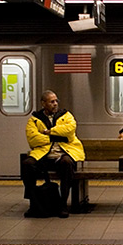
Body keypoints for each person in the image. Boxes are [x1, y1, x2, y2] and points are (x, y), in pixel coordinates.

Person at [21, 90, 85, 218]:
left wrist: (49, 131)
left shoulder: (66, 115)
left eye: (56, 101)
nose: (55, 104)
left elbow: (69, 130)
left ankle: (62, 204)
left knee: (67, 164)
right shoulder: (34, 119)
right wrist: (55, 137)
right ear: (43, 103)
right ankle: (34, 203)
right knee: (27, 165)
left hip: (64, 152)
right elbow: (33, 138)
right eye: (51, 102)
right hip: (43, 154)